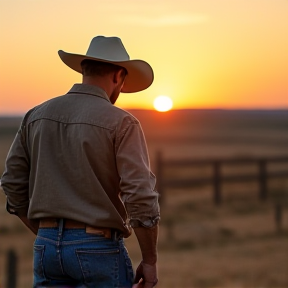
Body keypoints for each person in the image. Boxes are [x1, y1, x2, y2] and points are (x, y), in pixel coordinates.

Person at [1, 36, 160, 288]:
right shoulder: (122, 122)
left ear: (84, 69)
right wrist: (150, 260)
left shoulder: (36, 115)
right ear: (118, 76)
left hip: (45, 247)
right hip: (98, 247)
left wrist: (48, 232)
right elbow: (139, 194)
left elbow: (11, 182)